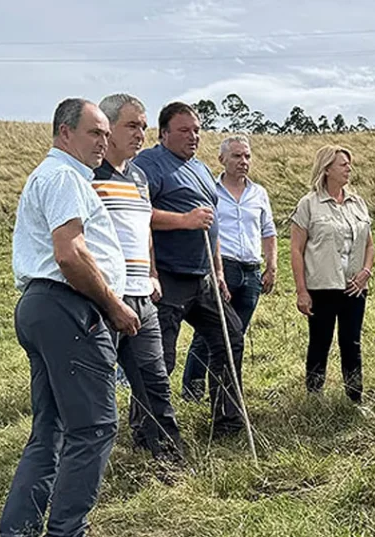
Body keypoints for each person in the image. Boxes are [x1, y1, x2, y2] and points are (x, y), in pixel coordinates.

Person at [1, 98, 140, 537]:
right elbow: (71, 252)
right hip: (70, 310)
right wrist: (114, 305)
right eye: (95, 132)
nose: (104, 141)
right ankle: (67, 530)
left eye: (105, 133)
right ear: (65, 133)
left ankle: (20, 530)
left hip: (43, 307)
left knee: (51, 430)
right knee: (95, 426)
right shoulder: (64, 176)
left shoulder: (54, 175)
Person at [133, 102, 244, 436]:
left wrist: (220, 271)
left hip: (204, 277)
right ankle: (147, 429)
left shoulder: (200, 169)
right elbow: (137, 212)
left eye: (197, 130)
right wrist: (183, 221)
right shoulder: (149, 164)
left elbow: (212, 225)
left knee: (231, 337)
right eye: (184, 130)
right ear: (164, 133)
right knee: (160, 358)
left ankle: (227, 421)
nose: (193, 136)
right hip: (169, 276)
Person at [93, 93, 183, 461]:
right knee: (96, 384)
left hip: (142, 296)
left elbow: (143, 227)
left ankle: (167, 455)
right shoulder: (88, 175)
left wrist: (152, 272)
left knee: (155, 380)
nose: (140, 135)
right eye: (132, 126)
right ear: (107, 128)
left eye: (143, 127)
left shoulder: (140, 176)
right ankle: (89, 461)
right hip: (101, 298)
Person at [183, 135, 277, 398]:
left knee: (236, 334)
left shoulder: (259, 193)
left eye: (247, 156)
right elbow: (208, 230)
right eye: (237, 156)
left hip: (251, 269)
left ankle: (223, 389)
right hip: (222, 267)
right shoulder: (210, 191)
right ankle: (193, 389)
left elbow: (268, 231)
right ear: (222, 159)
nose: (243, 161)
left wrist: (271, 266)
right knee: (209, 333)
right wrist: (216, 270)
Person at [290, 145, 374, 403]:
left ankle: (355, 399)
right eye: (342, 164)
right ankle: (314, 398)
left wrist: (366, 272)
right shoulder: (309, 204)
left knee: (352, 344)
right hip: (322, 287)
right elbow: (296, 249)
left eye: (349, 163)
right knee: (320, 343)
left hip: (354, 287)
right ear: (327, 169)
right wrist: (302, 291)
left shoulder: (358, 203)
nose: (349, 168)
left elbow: (369, 244)